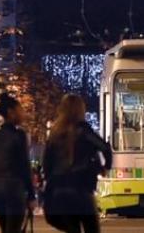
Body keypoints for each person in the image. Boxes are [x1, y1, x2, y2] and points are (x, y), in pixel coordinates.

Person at [43, 94, 112, 233]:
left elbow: (46, 163)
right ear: (81, 110)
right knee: (92, 228)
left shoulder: (55, 133)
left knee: (72, 228)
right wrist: (106, 167)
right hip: (82, 190)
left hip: (60, 192)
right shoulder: (84, 130)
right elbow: (105, 148)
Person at [0, 93, 36, 233]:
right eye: (20, 110)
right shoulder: (19, 135)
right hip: (14, 188)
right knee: (13, 228)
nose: (23, 113)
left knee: (5, 229)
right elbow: (24, 166)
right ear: (11, 112)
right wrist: (31, 195)